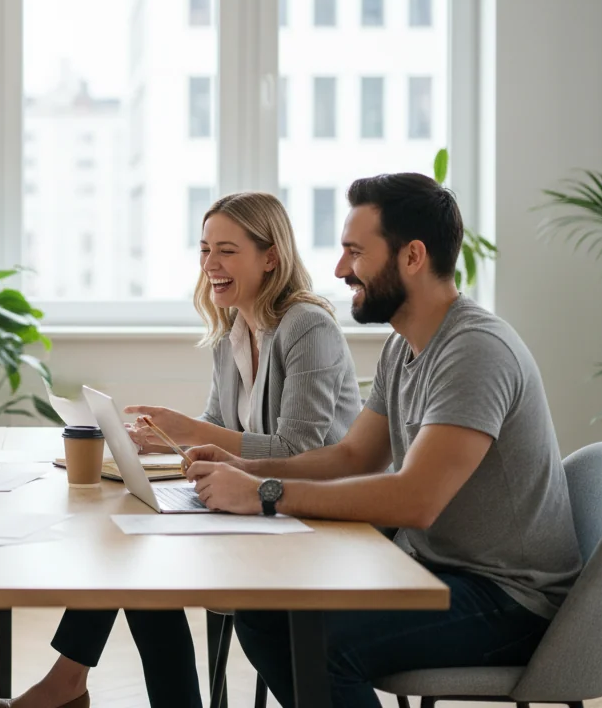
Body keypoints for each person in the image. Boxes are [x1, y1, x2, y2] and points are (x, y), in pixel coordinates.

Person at [185, 173, 582, 708]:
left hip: (508, 597)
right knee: (264, 616)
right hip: (434, 568)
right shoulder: (404, 347)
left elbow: (415, 500)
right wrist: (241, 470)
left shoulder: (475, 350)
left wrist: (264, 494)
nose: (339, 269)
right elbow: (352, 456)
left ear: (412, 256)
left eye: (355, 252)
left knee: (322, 643)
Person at [3, 192, 362, 708]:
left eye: (227, 251)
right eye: (204, 250)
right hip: (257, 505)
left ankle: (65, 685)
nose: (210, 264)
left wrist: (190, 431)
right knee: (131, 548)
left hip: (313, 514)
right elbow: (217, 428)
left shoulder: (307, 325)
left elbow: (299, 448)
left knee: (139, 558)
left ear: (270, 257)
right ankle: (69, 683)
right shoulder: (231, 328)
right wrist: (162, 439)